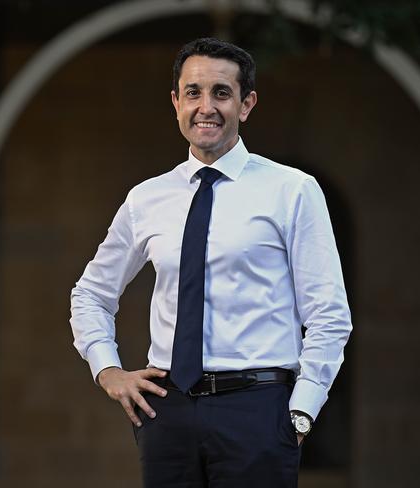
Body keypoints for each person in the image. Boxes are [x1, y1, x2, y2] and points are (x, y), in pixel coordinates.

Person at [70, 37, 352, 487]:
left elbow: (329, 313)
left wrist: (301, 412)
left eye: (222, 93)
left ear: (246, 104)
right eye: (194, 92)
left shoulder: (292, 190)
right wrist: (108, 370)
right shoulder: (147, 198)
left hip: (259, 410)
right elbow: (91, 294)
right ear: (176, 102)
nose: (207, 106)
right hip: (168, 410)